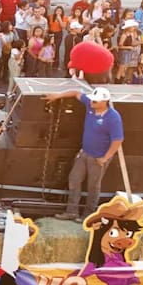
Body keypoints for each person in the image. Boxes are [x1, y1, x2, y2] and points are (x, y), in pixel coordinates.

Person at [47, 87, 123, 221]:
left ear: (104, 102)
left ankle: (89, 215)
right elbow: (76, 92)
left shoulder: (113, 118)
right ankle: (72, 211)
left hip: (98, 157)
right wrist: (58, 95)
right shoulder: (90, 105)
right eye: (92, 100)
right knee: (74, 179)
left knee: (93, 186)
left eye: (95, 101)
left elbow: (117, 140)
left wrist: (105, 158)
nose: (92, 103)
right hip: (85, 153)